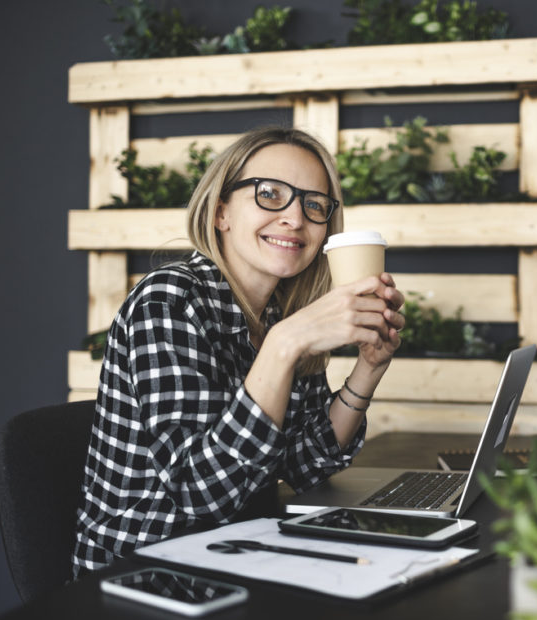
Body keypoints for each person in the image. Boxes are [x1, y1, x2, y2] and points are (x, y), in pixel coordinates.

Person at [73, 127, 405, 576]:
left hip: (242, 551)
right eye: (269, 194)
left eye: (314, 204)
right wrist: (285, 344)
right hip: (143, 573)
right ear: (221, 211)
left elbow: (303, 464)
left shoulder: (276, 315)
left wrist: (368, 368)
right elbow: (200, 494)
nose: (295, 218)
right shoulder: (168, 301)